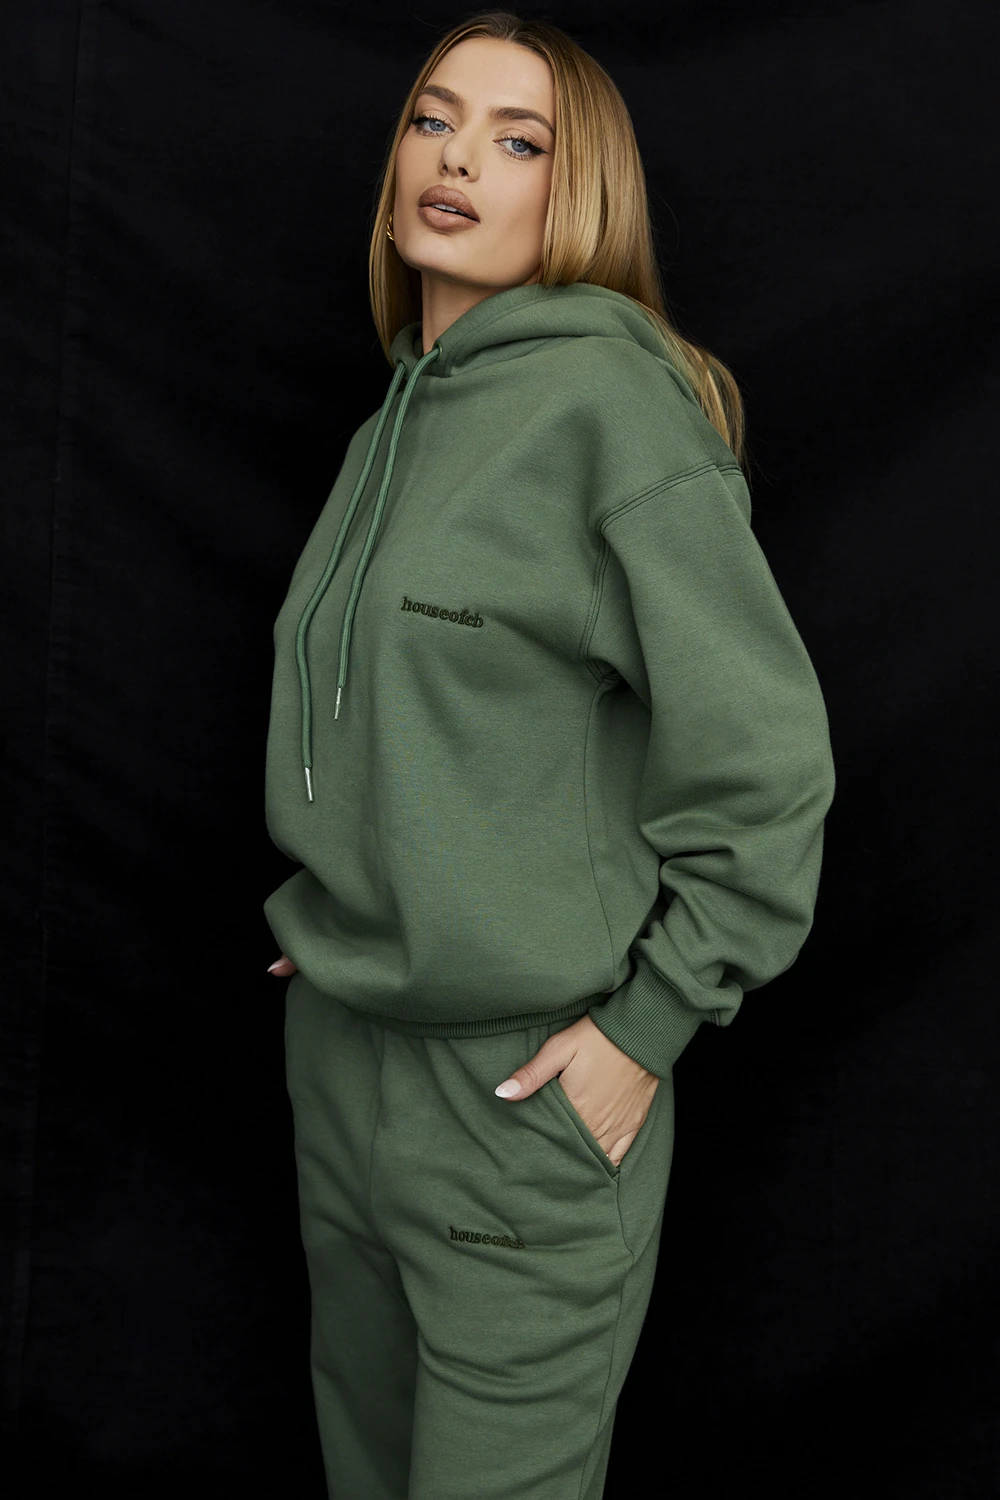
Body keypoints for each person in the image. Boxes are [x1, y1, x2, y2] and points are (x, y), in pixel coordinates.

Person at [262, 10, 836, 1498]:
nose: (457, 159)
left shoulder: (611, 409)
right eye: (433, 119)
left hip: (520, 1094)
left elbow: (766, 766)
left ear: (576, 193)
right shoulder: (394, 423)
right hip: (346, 1055)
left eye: (517, 140)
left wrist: (648, 1028)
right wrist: (352, 913)